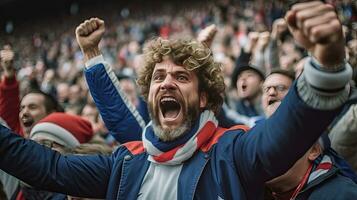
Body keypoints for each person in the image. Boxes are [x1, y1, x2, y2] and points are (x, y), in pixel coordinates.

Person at [0, 1, 353, 199]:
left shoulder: (232, 153)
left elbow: (284, 134)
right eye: (158, 77)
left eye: (181, 77)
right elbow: (50, 167)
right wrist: (93, 58)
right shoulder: (125, 162)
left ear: (203, 98)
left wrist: (326, 65)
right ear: (150, 95)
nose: (167, 82)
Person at [261, 69, 357, 199]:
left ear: (314, 151)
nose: (265, 152)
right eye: (266, 89)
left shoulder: (342, 194)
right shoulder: (251, 191)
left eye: (281, 88)